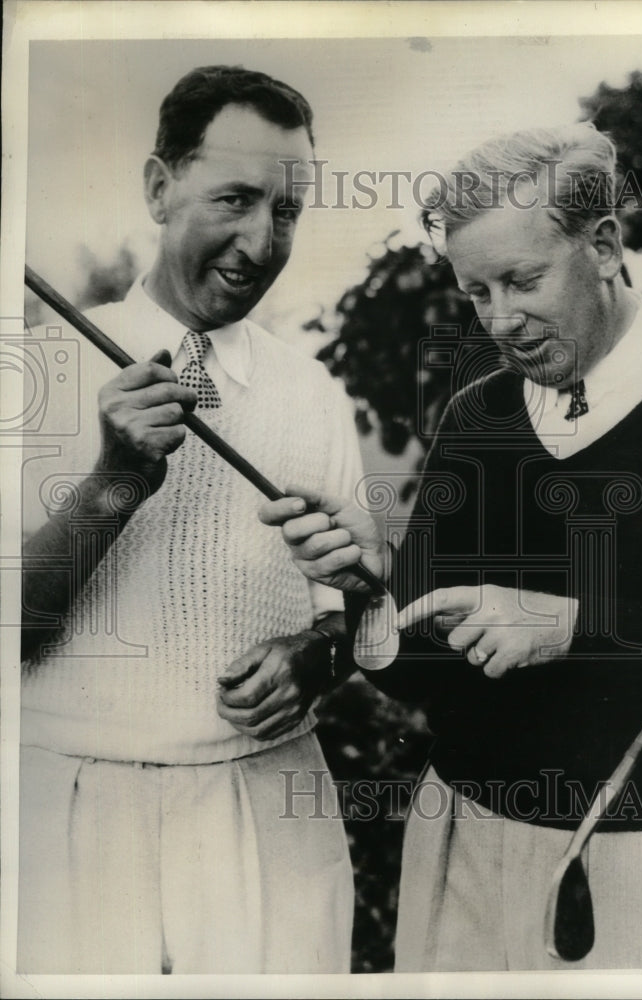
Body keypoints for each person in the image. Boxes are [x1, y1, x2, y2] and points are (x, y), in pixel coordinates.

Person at [259, 123, 642, 971]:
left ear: (606, 245)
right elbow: (424, 673)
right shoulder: (480, 416)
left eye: (522, 280)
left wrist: (576, 622)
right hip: (463, 843)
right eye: (476, 293)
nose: (500, 319)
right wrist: (371, 585)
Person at [19, 65, 361, 974]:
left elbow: (357, 607)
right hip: (73, 816)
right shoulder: (35, 366)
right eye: (235, 199)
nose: (261, 240)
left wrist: (317, 654)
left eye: (286, 211)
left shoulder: (314, 394)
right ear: (159, 187)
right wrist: (116, 482)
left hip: (271, 807)